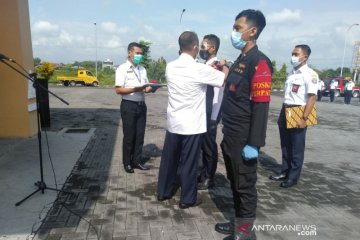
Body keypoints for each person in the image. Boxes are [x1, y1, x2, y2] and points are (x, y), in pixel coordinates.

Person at [215, 10, 273, 240]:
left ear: (252, 31)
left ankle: (246, 234)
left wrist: (254, 143)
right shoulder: (241, 60)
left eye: (238, 28)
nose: (234, 32)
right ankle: (238, 224)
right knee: (235, 182)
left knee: (245, 186)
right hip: (230, 133)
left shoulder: (260, 62)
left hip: (244, 136)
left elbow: (261, 106)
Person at [157, 31, 228, 209]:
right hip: (192, 125)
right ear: (195, 47)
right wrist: (225, 65)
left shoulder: (170, 66)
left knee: (169, 159)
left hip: (174, 122)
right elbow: (222, 79)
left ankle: (163, 191)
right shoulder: (199, 69)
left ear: (180, 47)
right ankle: (187, 198)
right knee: (189, 162)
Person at [269, 44, 317, 189]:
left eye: (296, 54)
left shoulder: (310, 74)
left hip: (298, 111)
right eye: (292, 53)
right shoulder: (292, 73)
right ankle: (284, 171)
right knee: (285, 145)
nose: (293, 56)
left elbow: (312, 98)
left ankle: (293, 177)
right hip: (285, 109)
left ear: (305, 57)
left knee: (296, 147)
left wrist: (304, 118)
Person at [115, 42, 154, 173]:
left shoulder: (142, 69)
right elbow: (118, 90)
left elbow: (146, 86)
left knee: (140, 135)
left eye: (141, 54)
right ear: (129, 52)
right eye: (137, 53)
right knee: (129, 136)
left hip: (141, 105)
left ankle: (137, 161)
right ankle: (127, 163)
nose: (139, 56)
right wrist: (135, 89)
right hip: (128, 105)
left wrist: (149, 89)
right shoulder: (122, 68)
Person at [197, 34, 224, 190]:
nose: (201, 49)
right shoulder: (207, 64)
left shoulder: (217, 66)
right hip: (203, 112)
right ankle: (203, 173)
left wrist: (214, 116)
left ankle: (209, 177)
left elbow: (217, 94)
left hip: (212, 113)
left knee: (209, 146)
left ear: (212, 48)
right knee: (203, 145)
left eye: (203, 46)